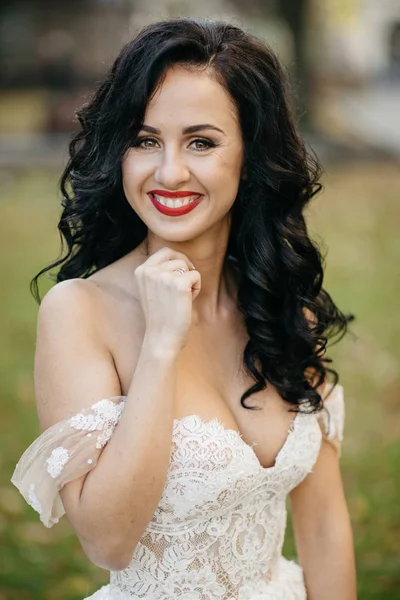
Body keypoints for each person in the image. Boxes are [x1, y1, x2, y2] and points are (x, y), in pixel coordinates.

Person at [11, 17, 357, 600]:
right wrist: (161, 345)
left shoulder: (282, 306)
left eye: (201, 141)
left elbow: (322, 526)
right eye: (145, 141)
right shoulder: (80, 311)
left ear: (251, 153)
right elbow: (107, 542)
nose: (169, 172)